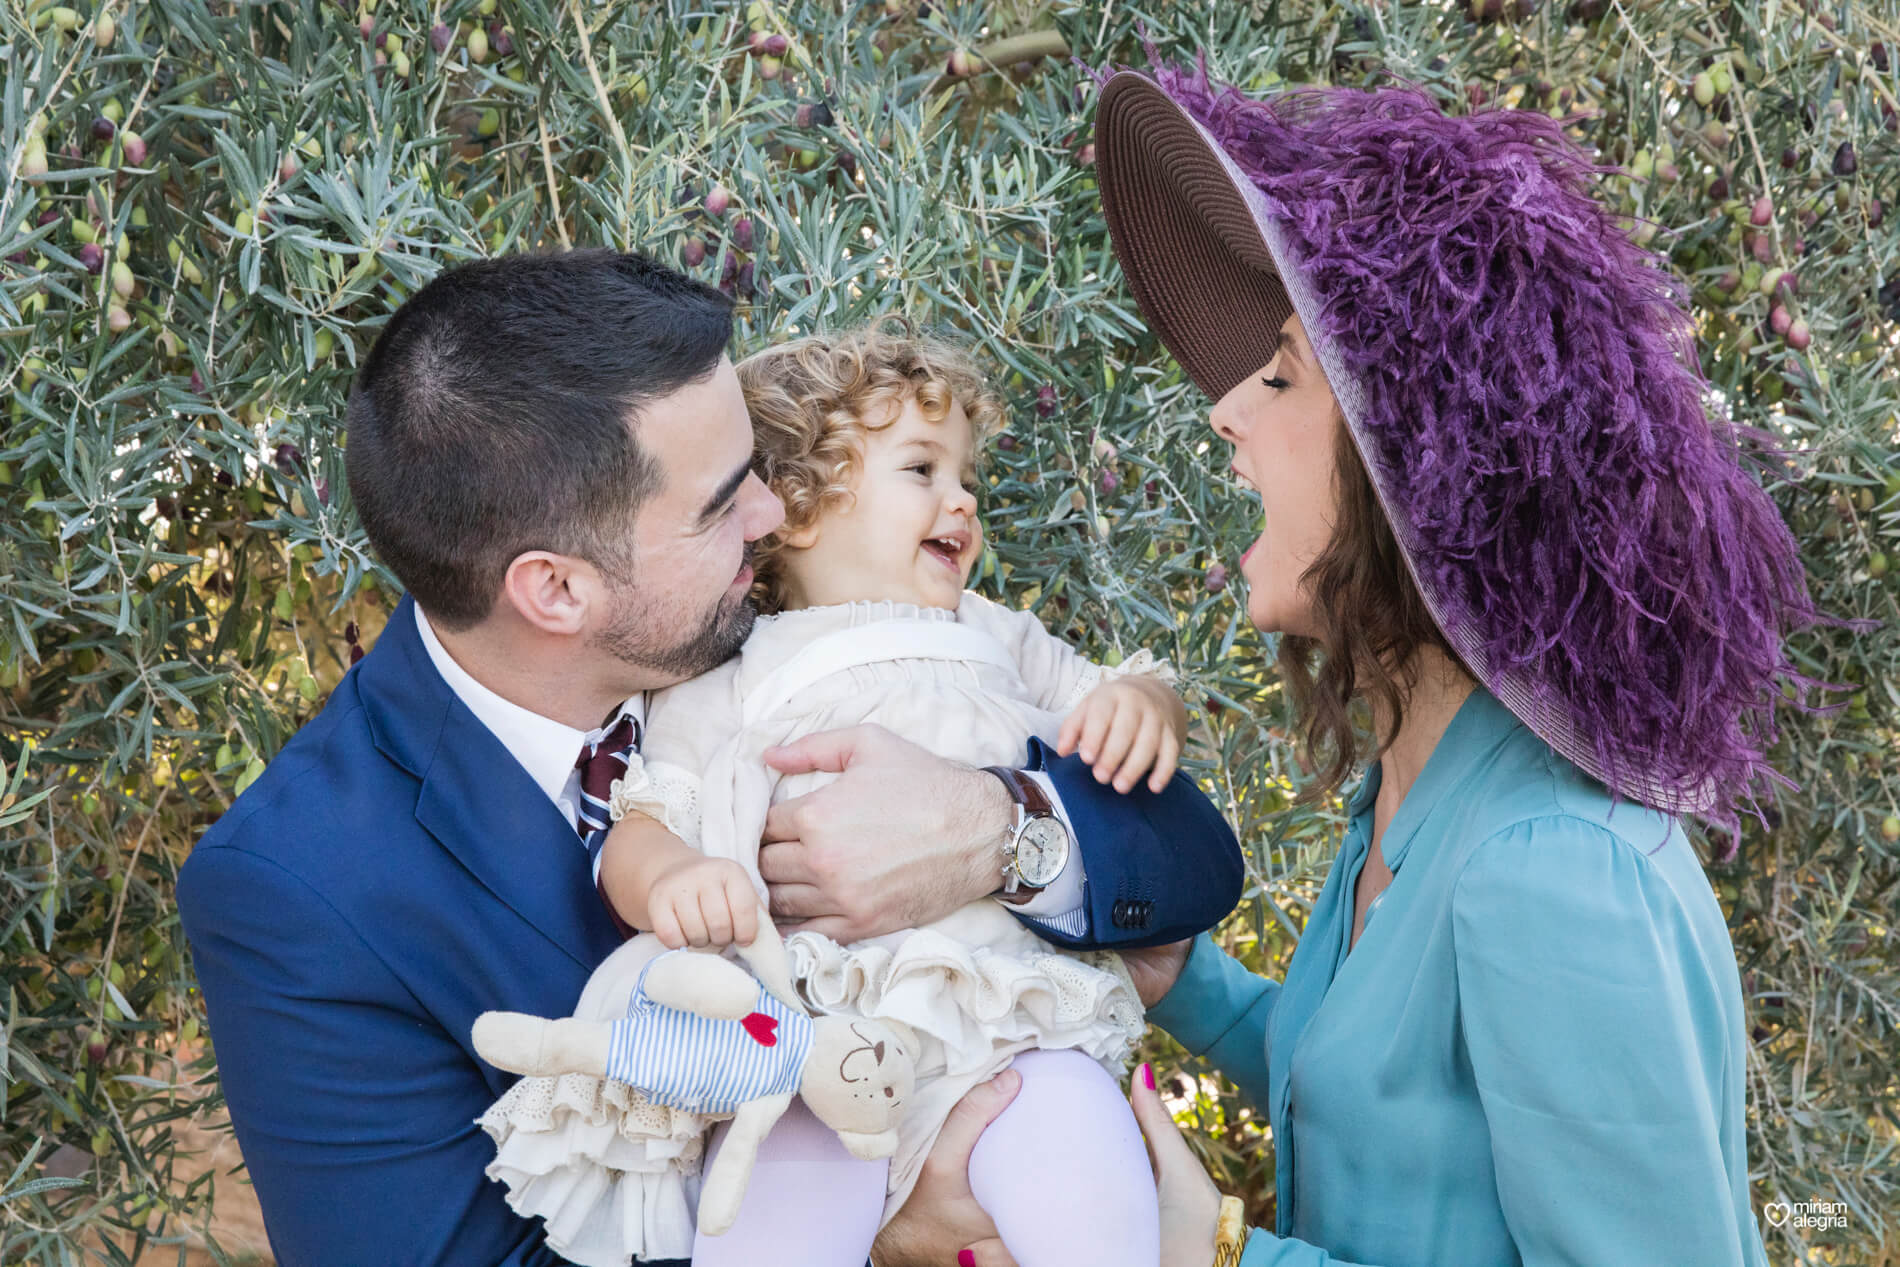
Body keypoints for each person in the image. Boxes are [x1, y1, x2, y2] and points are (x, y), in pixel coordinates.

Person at [919, 59, 1863, 1267]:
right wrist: (1182, 979)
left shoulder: (1551, 867)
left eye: (1280, 375)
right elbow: (1379, 1106)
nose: (1224, 413)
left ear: (1416, 466)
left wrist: (1200, 1254)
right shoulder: (1418, 792)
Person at [173, 250, 1243, 1267]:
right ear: (557, 590)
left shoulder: (810, 631)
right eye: (727, 499)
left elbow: (1190, 858)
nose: (777, 512)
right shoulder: (298, 892)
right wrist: (884, 1224)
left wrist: (993, 831)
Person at [478, 322, 1199, 1266]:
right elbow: (641, 821)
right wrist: (672, 879)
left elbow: (1109, 696)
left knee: (1089, 1176)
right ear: (805, 507)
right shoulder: (729, 674)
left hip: (1007, 1028)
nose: (963, 498)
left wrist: (1144, 704)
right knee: (768, 1219)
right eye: (923, 469)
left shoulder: (997, 634)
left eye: (963, 473)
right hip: (820, 1048)